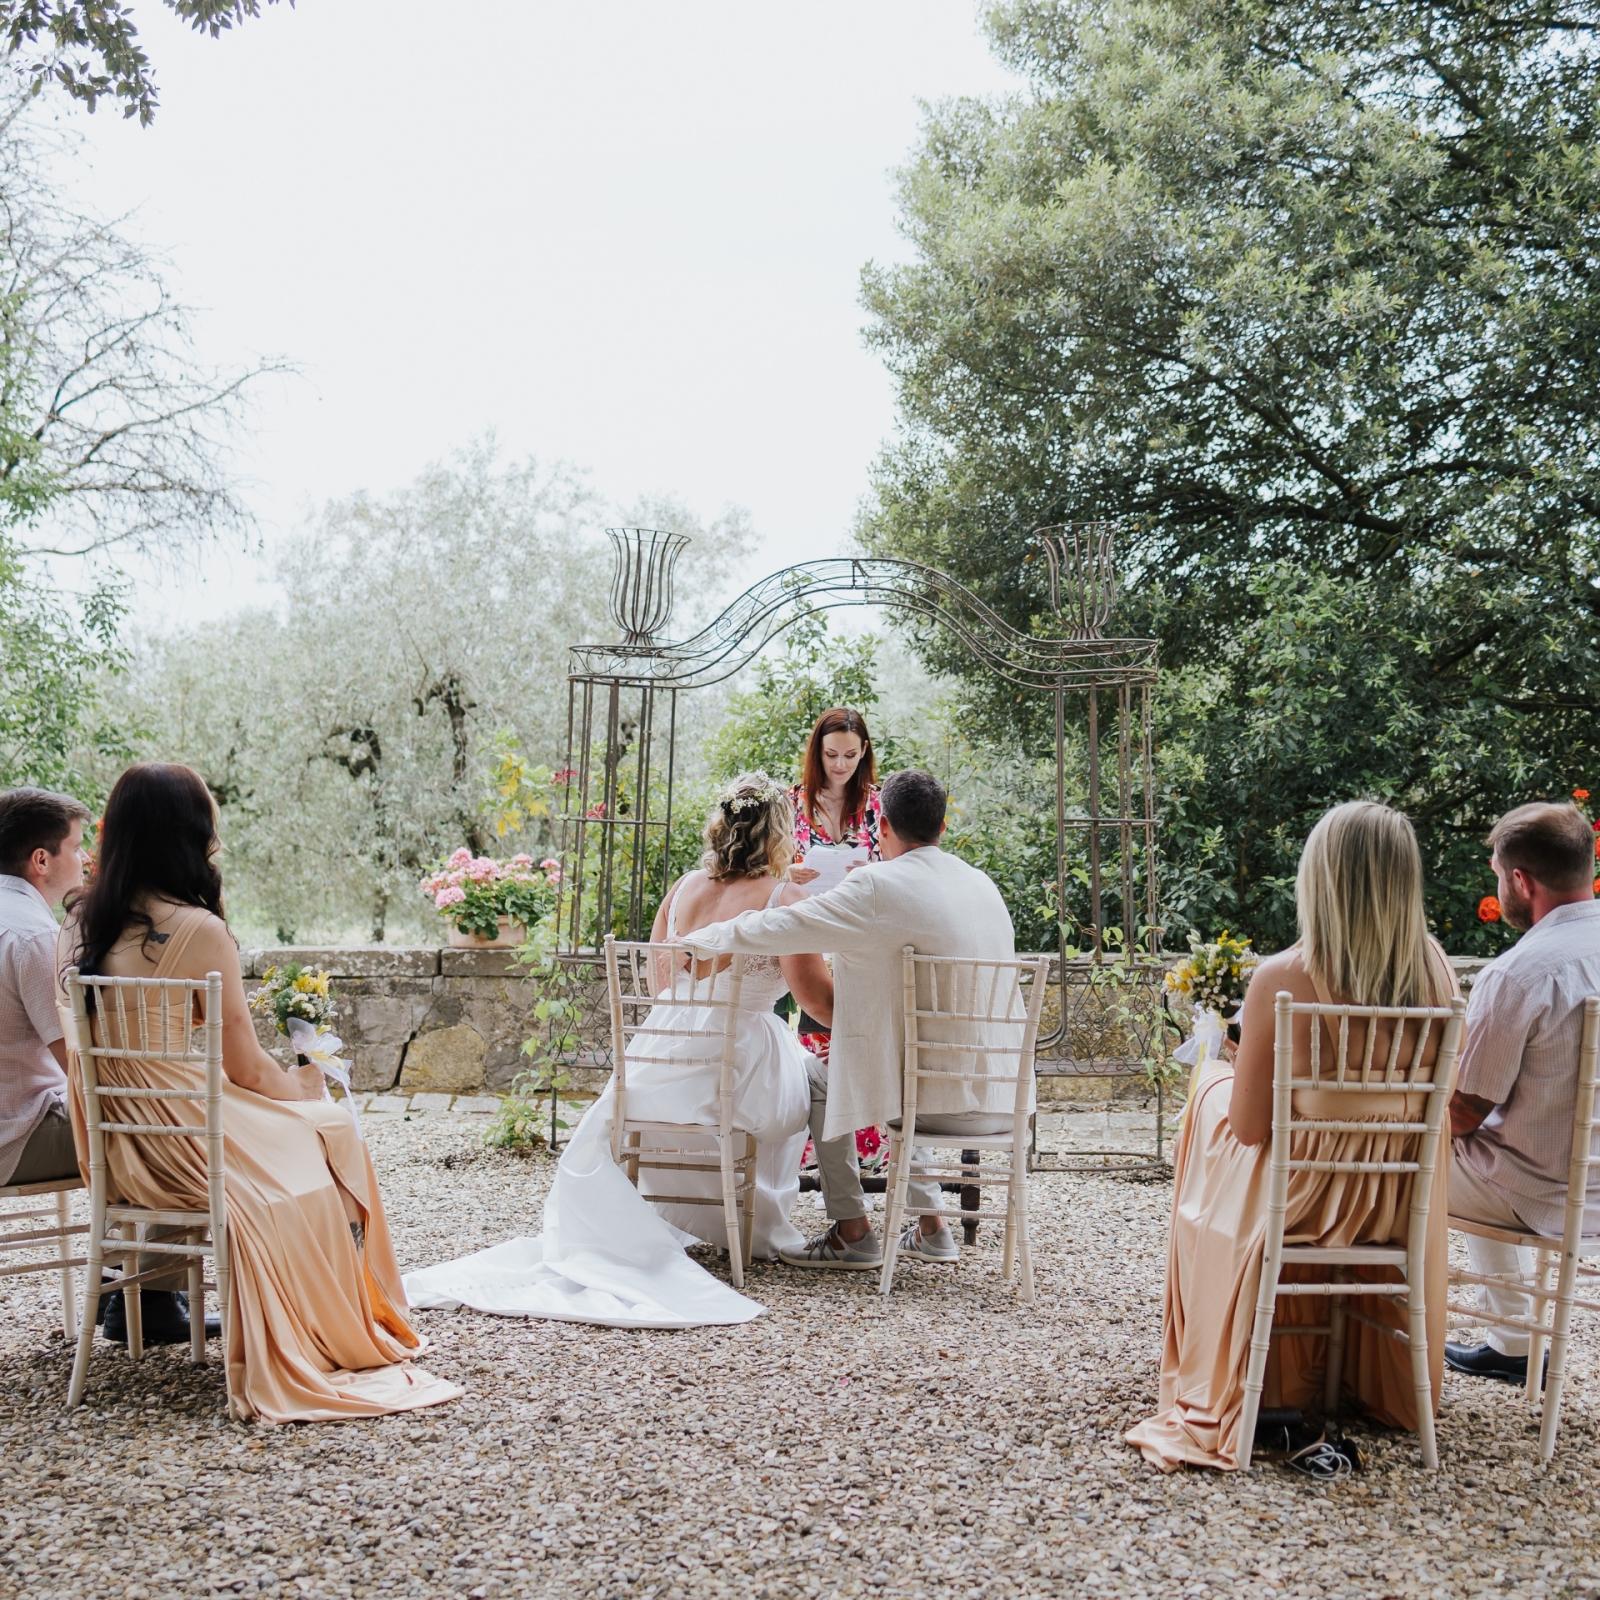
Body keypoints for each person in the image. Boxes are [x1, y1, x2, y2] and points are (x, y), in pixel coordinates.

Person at [57, 762, 460, 1422]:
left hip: (119, 1140)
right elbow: (244, 1068)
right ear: (189, 835)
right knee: (326, 1134)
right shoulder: (196, 928)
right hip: (183, 1137)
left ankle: (313, 1307)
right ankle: (337, 1321)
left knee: (311, 1135)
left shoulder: (77, 924)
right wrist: (302, 1088)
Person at [405, 774, 829, 1325]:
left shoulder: (683, 889)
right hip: (735, 1061)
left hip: (657, 1063)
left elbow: (659, 987)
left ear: (722, 826)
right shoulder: (784, 898)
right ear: (778, 833)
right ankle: (795, 1225)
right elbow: (814, 1000)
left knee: (778, 1065)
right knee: (806, 1073)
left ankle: (709, 1220)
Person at [1125, 801, 1460, 1471]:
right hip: (1392, 1200)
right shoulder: (1439, 974)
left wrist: (1214, 1080)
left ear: (1320, 880)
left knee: (1211, 1094)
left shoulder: (1282, 977)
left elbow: (1250, 1129)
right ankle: (1342, 1371)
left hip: (1301, 1201)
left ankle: (1241, 1365)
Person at [678, 768, 1020, 1271]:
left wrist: (702, 942)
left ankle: (852, 1230)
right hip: (998, 1094)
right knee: (901, 1061)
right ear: (942, 827)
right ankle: (934, 1227)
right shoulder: (981, 884)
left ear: (881, 825)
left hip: (927, 1100)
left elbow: (782, 925)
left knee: (821, 1077)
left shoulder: (878, 884)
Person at [1445, 802, 1600, 1384]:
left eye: (1495, 873)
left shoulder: (1519, 973)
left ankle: (1367, 1347)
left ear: (1519, 880)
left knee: (1396, 1154)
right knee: (1493, 1145)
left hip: (1544, 1195)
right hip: (1591, 1181)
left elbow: (1463, 1112)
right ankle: (1511, 1343)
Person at [784, 707, 884, 1168]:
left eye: (849, 754)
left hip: (861, 930)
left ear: (863, 752)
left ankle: (868, 1139)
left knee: (861, 1024)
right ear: (816, 754)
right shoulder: (793, 803)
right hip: (807, 926)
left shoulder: (879, 804)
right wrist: (790, 873)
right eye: (830, 755)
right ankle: (814, 1140)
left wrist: (875, 872)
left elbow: (904, 867)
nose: (840, 764)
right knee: (815, 1020)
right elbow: (768, 867)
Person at [0, 788, 90, 1187]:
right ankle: (158, 1251)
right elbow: (80, 1064)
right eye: (76, 846)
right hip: (16, 1134)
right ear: (41, 859)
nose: (86, 858)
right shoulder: (34, 936)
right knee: (171, 1134)